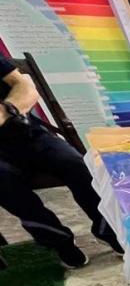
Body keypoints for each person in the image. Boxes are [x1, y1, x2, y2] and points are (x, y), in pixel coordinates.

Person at [0, 55, 122, 268]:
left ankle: (108, 229)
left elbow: (25, 86)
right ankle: (59, 241)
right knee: (6, 188)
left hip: (26, 132)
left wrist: (6, 111)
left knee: (75, 164)